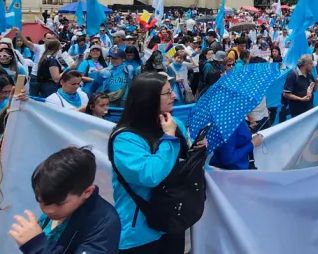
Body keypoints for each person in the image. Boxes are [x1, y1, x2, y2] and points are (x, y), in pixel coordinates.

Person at [109, 72, 205, 253]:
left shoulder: (174, 124)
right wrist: (169, 139)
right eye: (168, 93)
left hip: (173, 219)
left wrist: (197, 150)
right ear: (148, 99)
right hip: (140, 231)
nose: (174, 96)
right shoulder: (125, 138)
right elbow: (150, 175)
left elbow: (182, 163)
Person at [8, 147, 121, 253]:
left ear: (87, 192)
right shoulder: (55, 200)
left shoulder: (105, 224)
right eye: (41, 201)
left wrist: (36, 246)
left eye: (59, 204)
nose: (48, 210)